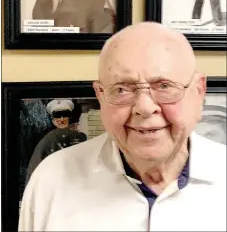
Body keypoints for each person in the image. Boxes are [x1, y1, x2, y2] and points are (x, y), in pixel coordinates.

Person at [19, 22, 226, 231]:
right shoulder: (52, 179)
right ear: (100, 96)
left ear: (199, 92)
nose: (144, 108)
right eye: (122, 89)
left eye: (164, 86)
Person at [25, 99, 87, 183]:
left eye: (65, 114)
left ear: (69, 117)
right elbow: (35, 165)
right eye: (58, 115)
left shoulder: (80, 137)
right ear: (52, 119)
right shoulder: (46, 139)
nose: (61, 119)